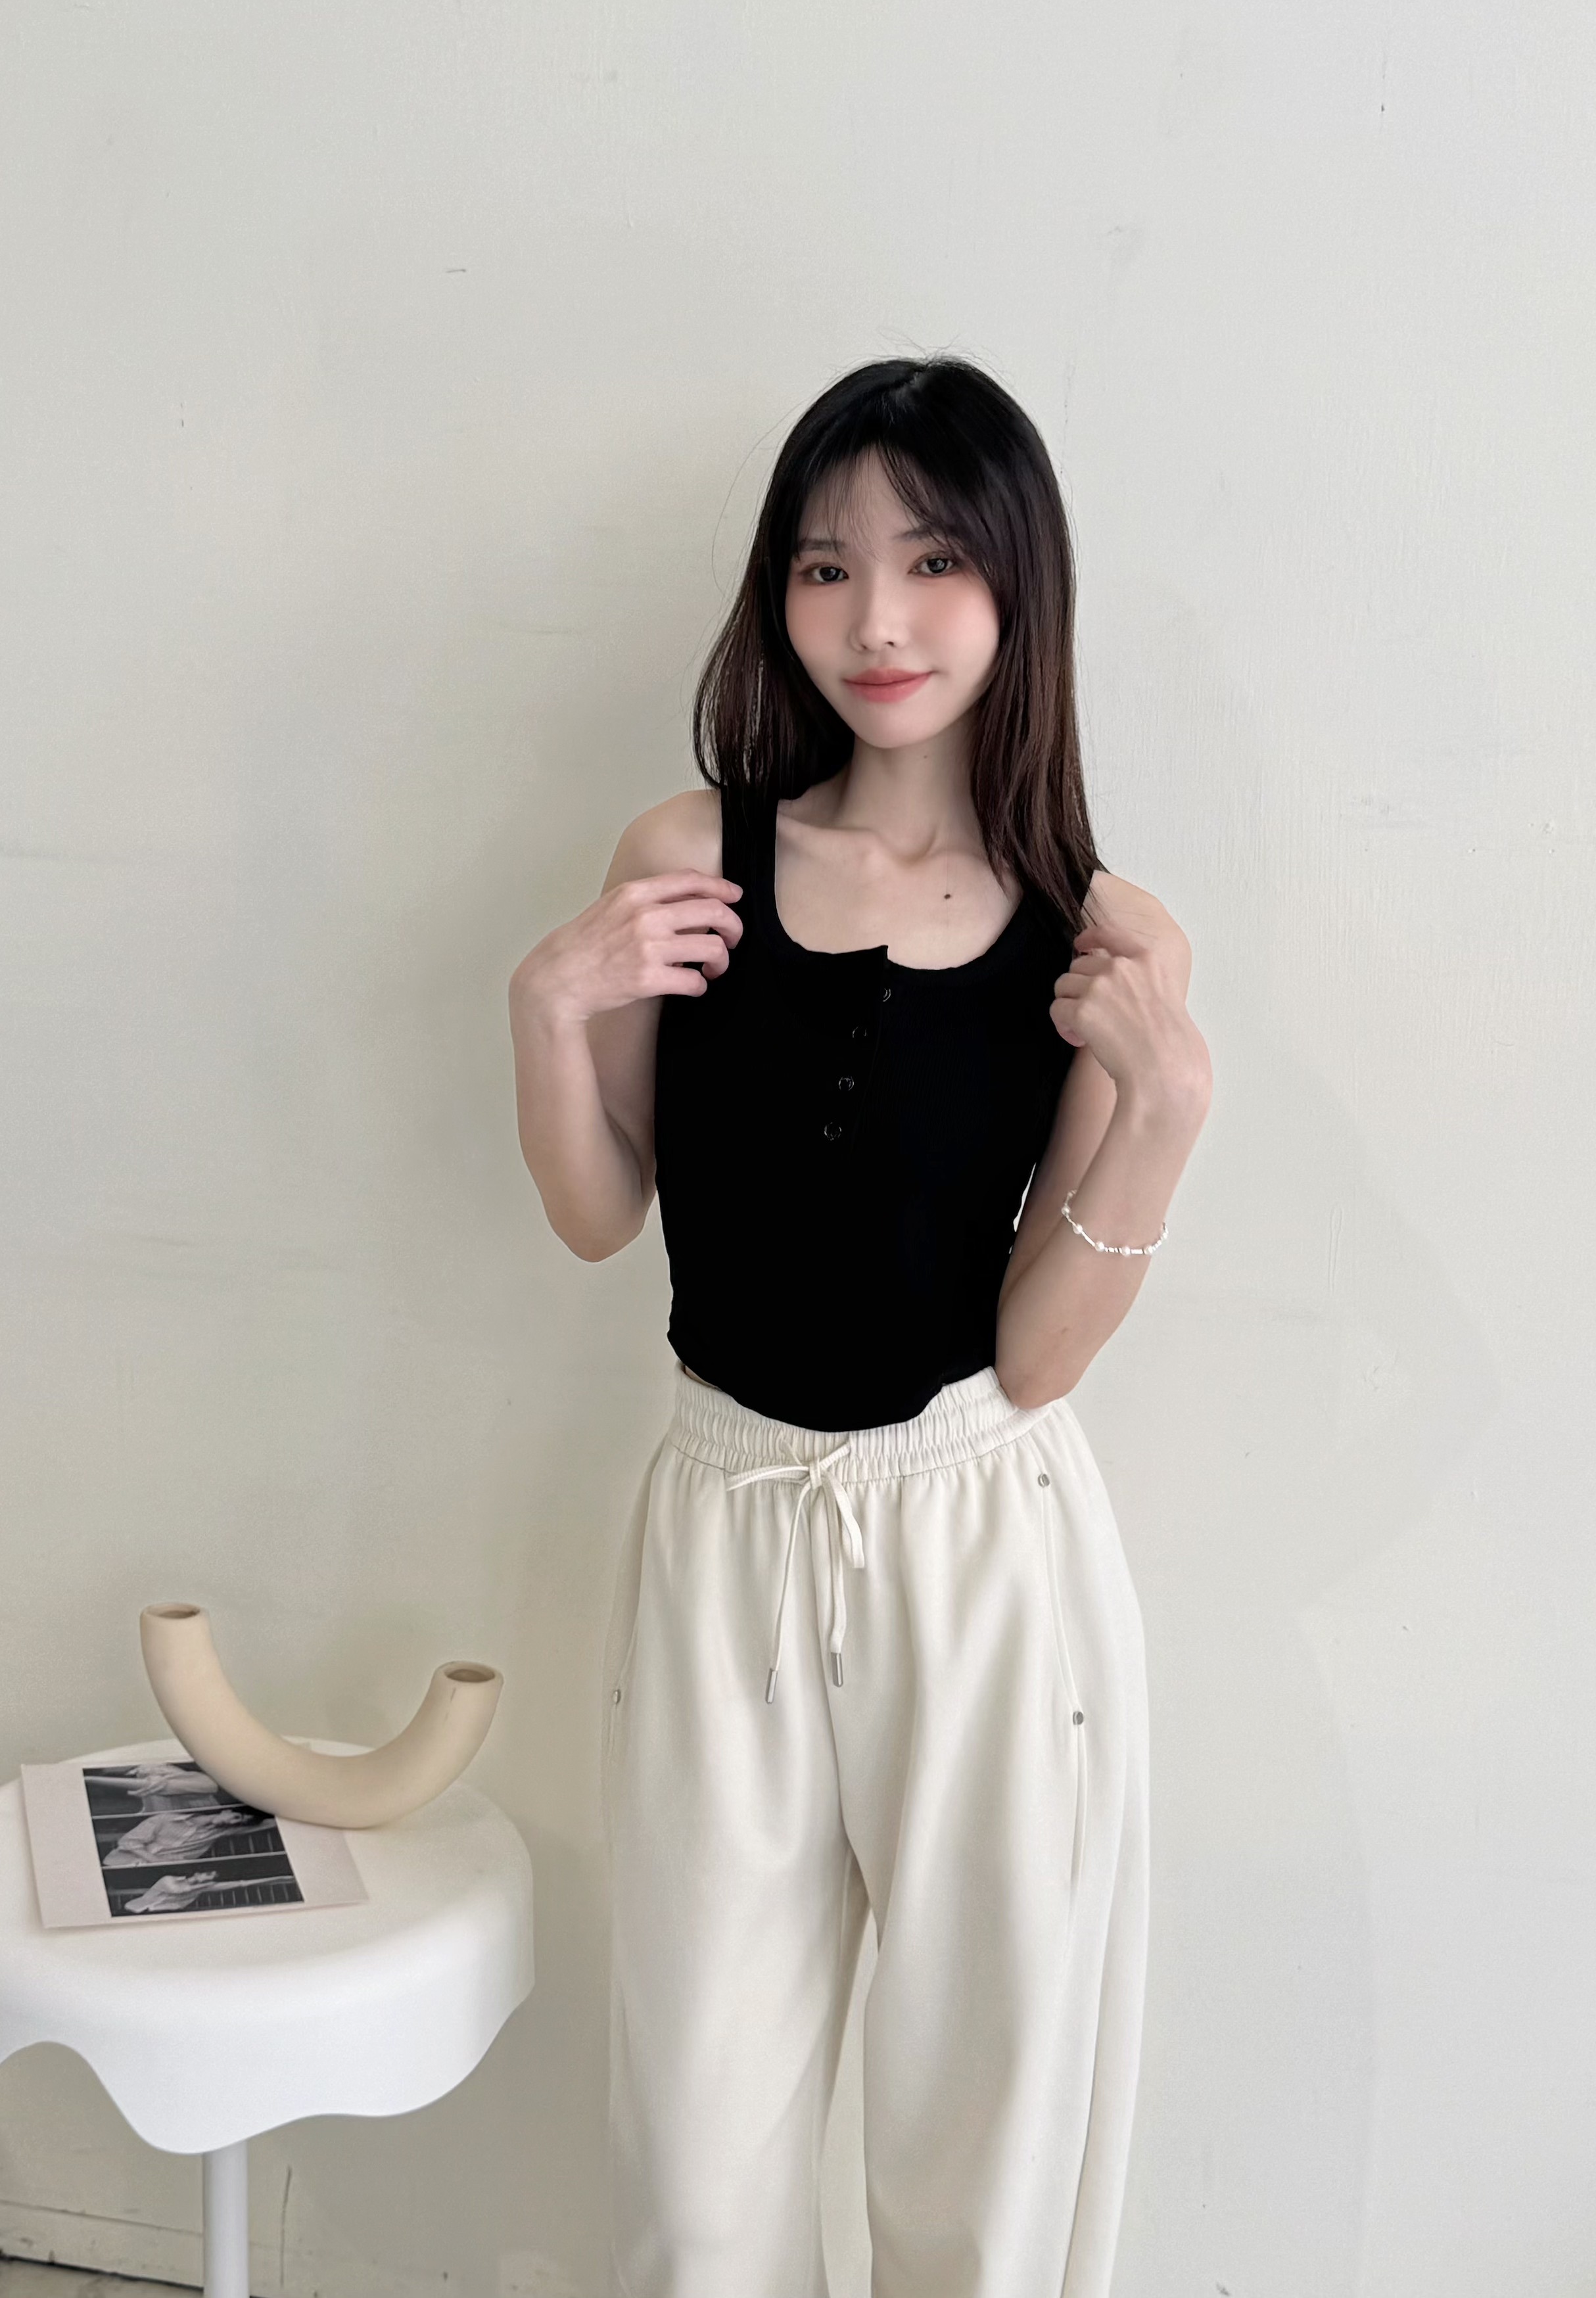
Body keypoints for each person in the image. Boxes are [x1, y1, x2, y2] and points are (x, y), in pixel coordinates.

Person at [508, 356, 1211, 2298]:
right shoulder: (687, 861)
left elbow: (1038, 1354)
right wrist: (547, 1009)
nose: (877, 621)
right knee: (698, 2162)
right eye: (827, 568)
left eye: (931, 562)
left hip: (978, 1540)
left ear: (1016, 584)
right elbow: (599, 1214)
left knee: (978, 2150)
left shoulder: (1100, 934)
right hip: (723, 1520)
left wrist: (1163, 1113)